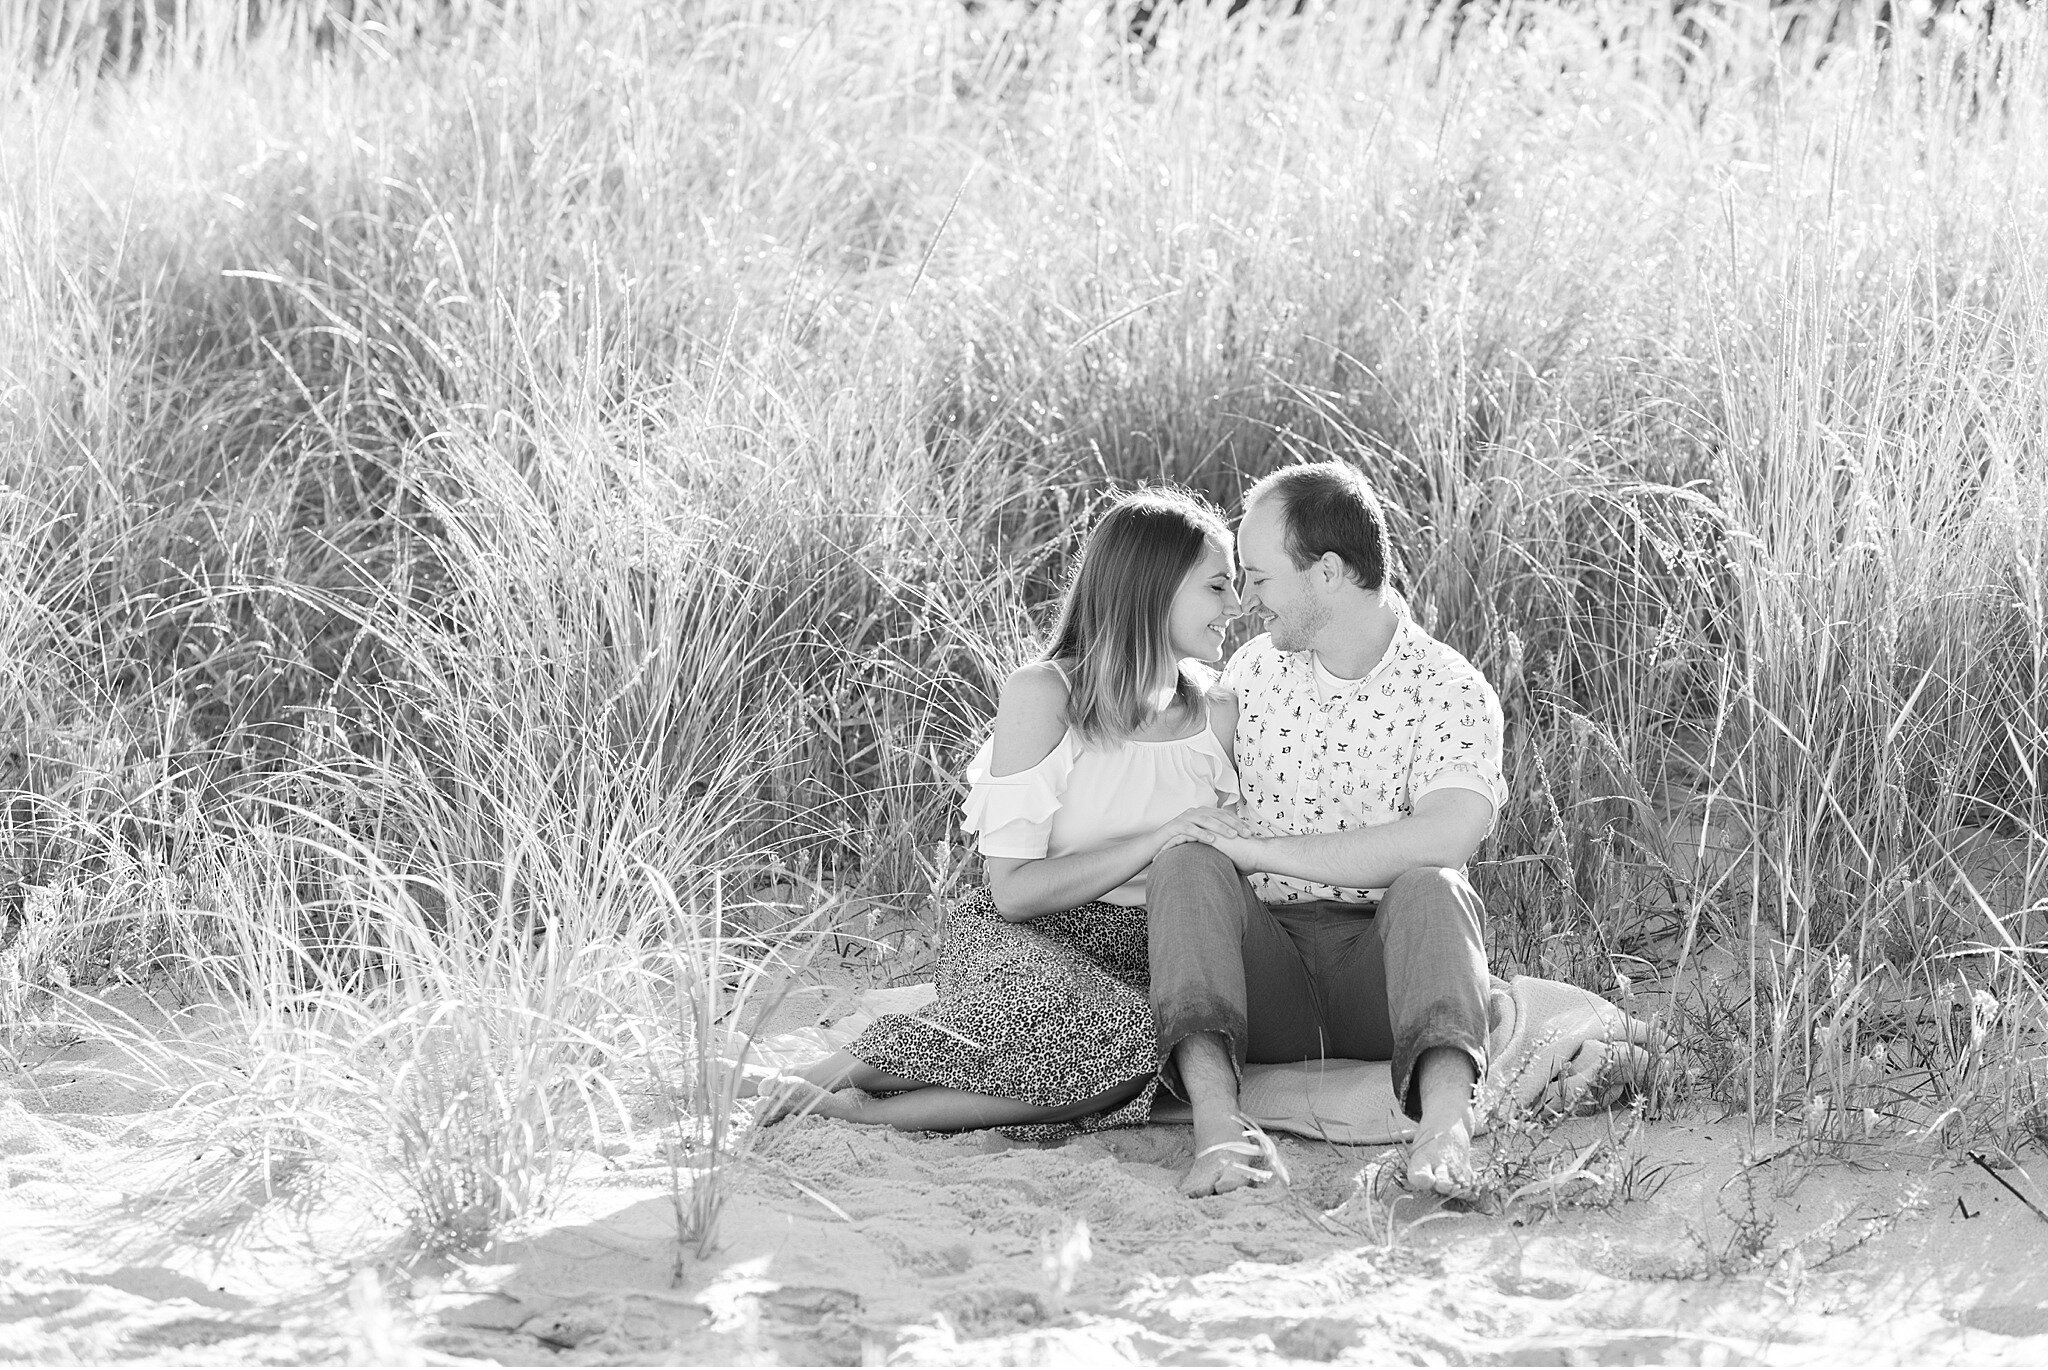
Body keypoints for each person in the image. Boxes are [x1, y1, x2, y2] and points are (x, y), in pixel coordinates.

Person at [754, 487, 1256, 1135]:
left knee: (1134, 1041)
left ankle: (862, 1114)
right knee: (1083, 1023)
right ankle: (827, 1077)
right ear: (1154, 588)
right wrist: (1159, 840)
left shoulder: (1221, 713)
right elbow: (1014, 892)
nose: (1237, 607)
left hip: (1153, 952)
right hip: (1035, 934)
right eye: (1219, 586)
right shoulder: (1046, 695)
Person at [1150, 461, 1506, 1198]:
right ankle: (1218, 1130)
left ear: (1329, 574)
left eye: (1260, 577)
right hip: (1266, 974)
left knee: (1434, 886)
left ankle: (1444, 1133)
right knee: (1186, 863)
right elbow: (1149, 759)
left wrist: (1265, 850)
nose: (1244, 600)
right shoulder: (1252, 673)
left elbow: (1448, 835)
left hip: (1379, 977)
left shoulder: (1448, 688)